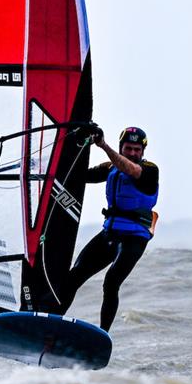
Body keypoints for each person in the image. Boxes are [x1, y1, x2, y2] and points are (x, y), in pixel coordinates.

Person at [57, 126, 159, 331]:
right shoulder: (110, 168)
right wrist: (75, 143)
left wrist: (102, 145)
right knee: (73, 276)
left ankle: (103, 335)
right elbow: (78, 175)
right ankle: (49, 322)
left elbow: (131, 170)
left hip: (134, 238)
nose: (132, 153)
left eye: (136, 149)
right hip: (109, 234)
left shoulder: (150, 170)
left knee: (111, 282)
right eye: (128, 148)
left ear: (143, 151)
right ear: (122, 147)